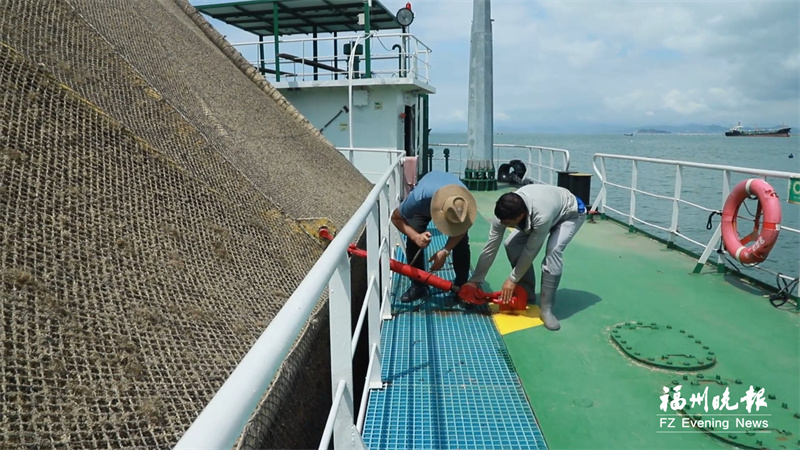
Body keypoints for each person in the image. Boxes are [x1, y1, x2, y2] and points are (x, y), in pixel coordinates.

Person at [464, 184, 586, 330]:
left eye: (507, 223)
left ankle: (546, 310)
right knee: (511, 244)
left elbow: (530, 251)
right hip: (546, 211)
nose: (503, 224)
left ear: (520, 216)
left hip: (569, 214)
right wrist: (475, 280)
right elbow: (491, 248)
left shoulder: (542, 216)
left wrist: (512, 279)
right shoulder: (503, 214)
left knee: (553, 251)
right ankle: (528, 294)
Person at [391, 171, 476, 303]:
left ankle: (461, 285)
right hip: (425, 206)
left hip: (449, 204)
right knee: (413, 237)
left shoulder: (463, 203)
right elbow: (395, 218)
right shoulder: (418, 198)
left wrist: (445, 251)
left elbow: (462, 231)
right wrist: (416, 237)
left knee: (461, 243)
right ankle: (418, 285)